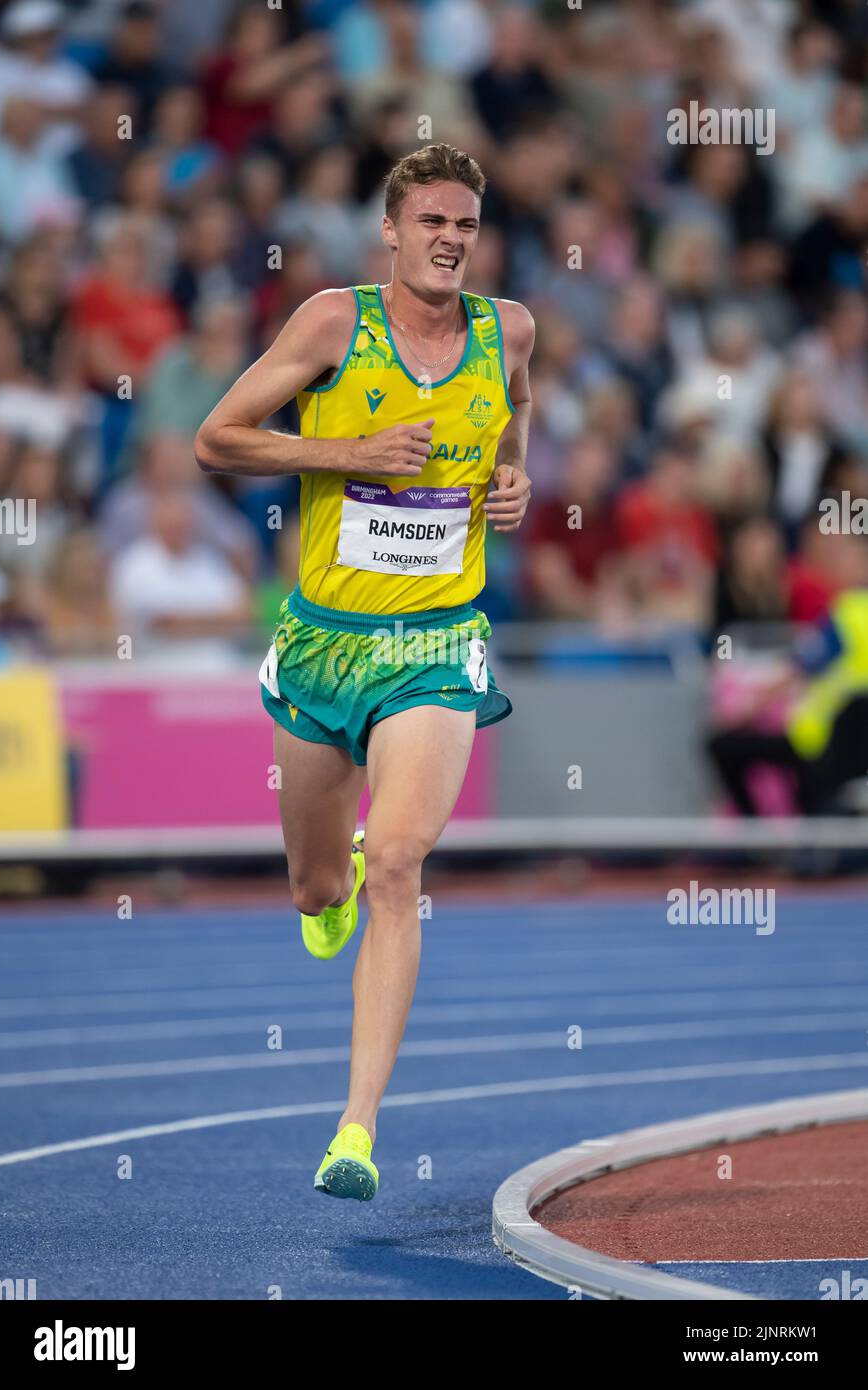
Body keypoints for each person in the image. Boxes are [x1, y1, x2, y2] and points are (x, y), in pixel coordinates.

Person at [195, 143, 533, 1201]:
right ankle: (320, 884)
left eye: (464, 225)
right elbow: (218, 438)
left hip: (435, 643)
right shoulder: (333, 324)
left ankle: (354, 1129)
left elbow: (513, 410)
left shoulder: (508, 329)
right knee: (318, 884)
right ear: (389, 231)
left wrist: (512, 478)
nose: (448, 239)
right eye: (430, 221)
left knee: (396, 864)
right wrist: (347, 453)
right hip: (322, 642)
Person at [707, 535, 868, 815]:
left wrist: (748, 708)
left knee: (725, 746)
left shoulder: (849, 612)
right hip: (848, 747)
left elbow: (801, 669)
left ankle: (754, 843)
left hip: (820, 740)